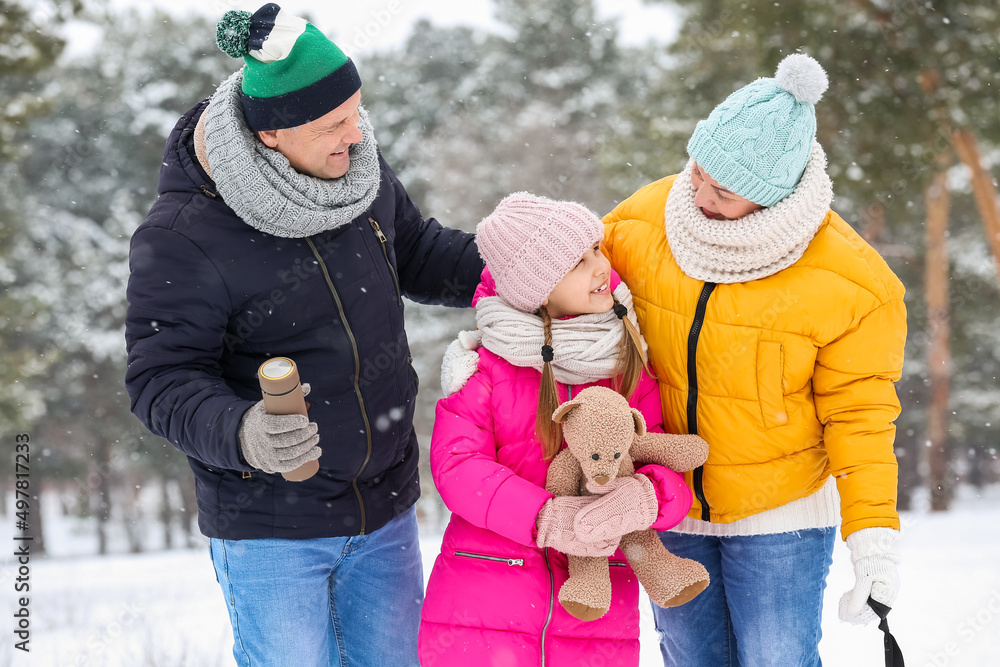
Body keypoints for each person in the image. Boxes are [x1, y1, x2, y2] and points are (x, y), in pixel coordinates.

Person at [123, 4, 483, 666]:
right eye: (332, 125)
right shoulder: (184, 236)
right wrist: (242, 431)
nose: (356, 134)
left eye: (355, 110)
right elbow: (160, 379)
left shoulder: (358, 173)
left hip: (385, 509)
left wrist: (514, 267)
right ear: (271, 137)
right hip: (272, 530)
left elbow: (421, 254)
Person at [602, 53, 906, 665]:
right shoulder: (641, 223)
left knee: (775, 658)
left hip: (781, 514)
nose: (700, 195)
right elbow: (564, 289)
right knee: (691, 658)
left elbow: (861, 416)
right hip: (670, 499)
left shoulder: (852, 282)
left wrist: (872, 536)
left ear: (775, 194)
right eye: (697, 172)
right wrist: (494, 337)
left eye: (725, 191)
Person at [419, 192, 705, 665]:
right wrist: (546, 517)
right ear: (540, 289)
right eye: (579, 261)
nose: (601, 268)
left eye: (596, 249)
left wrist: (650, 497)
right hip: (490, 598)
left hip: (594, 613)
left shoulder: (626, 362)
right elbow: (458, 468)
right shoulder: (484, 367)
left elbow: (662, 457)